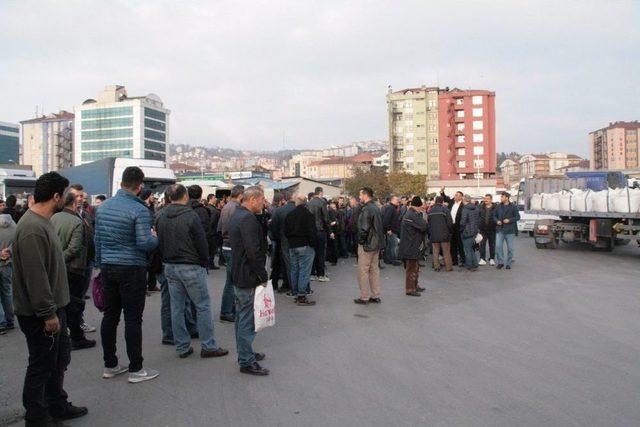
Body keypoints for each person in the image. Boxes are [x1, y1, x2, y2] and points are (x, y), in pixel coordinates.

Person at [12, 171, 89, 425]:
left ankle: (56, 404)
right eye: (64, 195)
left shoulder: (43, 222)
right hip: (41, 313)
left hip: (56, 308)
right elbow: (37, 276)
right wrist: (48, 313)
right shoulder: (33, 227)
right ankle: (36, 415)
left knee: (58, 360)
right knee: (42, 365)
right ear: (56, 196)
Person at [95, 166, 159, 383]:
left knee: (110, 316)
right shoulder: (139, 210)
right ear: (140, 186)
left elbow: (98, 240)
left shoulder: (103, 208)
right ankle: (136, 368)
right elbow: (144, 243)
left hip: (108, 266)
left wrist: (100, 263)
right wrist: (154, 237)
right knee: (133, 318)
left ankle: (110, 364)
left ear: (121, 182)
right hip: (131, 268)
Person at [156, 184, 229, 359]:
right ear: (185, 196)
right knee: (202, 305)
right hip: (190, 265)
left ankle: (182, 346)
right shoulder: (191, 215)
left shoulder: (160, 215)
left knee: (177, 307)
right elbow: (201, 242)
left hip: (170, 265)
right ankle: (208, 345)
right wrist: (204, 261)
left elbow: (159, 240)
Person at [228, 186, 269, 375]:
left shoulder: (238, 214)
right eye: (261, 200)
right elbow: (253, 251)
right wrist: (262, 275)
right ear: (253, 199)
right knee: (247, 319)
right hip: (248, 275)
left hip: (240, 273)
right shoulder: (246, 218)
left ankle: (246, 352)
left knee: (242, 317)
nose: (263, 203)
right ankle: (246, 360)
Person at [50, 189, 96, 350]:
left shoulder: (54, 218)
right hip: (73, 267)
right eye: (77, 198)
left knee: (63, 302)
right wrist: (61, 259)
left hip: (62, 267)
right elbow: (75, 247)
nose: (80, 200)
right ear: (72, 202)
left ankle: (64, 334)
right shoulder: (75, 221)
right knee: (74, 303)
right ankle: (76, 337)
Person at [217, 185, 244, 323]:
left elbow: (220, 227)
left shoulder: (226, 207)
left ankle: (229, 309)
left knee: (230, 280)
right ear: (240, 195)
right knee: (232, 281)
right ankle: (227, 310)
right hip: (232, 246)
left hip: (226, 245)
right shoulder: (236, 208)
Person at [284, 195, 317, 306]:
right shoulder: (309, 215)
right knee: (304, 270)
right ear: (305, 202)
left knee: (294, 269)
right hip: (305, 245)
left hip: (292, 245)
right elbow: (313, 232)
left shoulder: (290, 215)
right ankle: (301, 295)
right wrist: (313, 244)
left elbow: (286, 231)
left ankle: (295, 292)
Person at [354, 187, 385, 305]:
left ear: (365, 195)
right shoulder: (376, 208)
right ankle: (375, 295)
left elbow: (364, 228)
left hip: (367, 244)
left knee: (363, 271)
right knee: (374, 270)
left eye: (360, 195)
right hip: (376, 244)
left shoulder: (367, 209)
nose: (359, 197)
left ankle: (364, 297)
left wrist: (361, 241)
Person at [398, 196, 427, 297]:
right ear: (417, 206)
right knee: (411, 268)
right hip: (411, 245)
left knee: (415, 267)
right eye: (420, 207)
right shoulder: (413, 215)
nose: (421, 209)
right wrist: (422, 216)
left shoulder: (411, 213)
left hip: (411, 244)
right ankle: (410, 289)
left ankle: (415, 285)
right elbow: (424, 226)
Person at [269, 191, 295, 294]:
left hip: (283, 240)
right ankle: (294, 286)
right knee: (295, 264)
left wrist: (277, 237)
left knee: (285, 262)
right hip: (297, 240)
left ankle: (287, 284)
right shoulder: (299, 209)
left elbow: (274, 227)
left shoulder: (279, 211)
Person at [307, 186, 333, 282]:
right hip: (320, 231)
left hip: (311, 232)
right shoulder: (322, 202)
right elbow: (326, 219)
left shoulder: (308, 203)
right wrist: (330, 231)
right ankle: (321, 274)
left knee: (312, 253)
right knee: (321, 253)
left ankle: (312, 273)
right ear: (321, 193)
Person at [494, 191, 520, 270]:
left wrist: (509, 220)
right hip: (500, 230)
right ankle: (501, 262)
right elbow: (494, 216)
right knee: (498, 246)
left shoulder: (513, 207)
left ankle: (508, 263)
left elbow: (517, 217)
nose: (501, 198)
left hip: (509, 231)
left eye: (502, 197)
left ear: (507, 198)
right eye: (501, 197)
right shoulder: (498, 206)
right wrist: (496, 221)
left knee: (510, 248)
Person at [428, 196, 453, 272]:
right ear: (442, 201)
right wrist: (450, 231)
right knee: (446, 252)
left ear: (435, 201)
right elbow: (449, 222)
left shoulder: (431, 210)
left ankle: (436, 267)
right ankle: (448, 267)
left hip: (434, 234)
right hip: (444, 234)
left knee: (435, 252)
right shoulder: (445, 209)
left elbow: (428, 223)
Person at [440, 188, 465, 266]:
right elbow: (445, 198)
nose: (455, 196)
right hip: (451, 226)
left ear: (461, 197)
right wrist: (442, 192)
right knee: (453, 244)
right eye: (455, 195)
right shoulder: (452, 202)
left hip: (459, 226)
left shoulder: (463, 205)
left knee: (460, 244)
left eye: (457, 195)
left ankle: (463, 260)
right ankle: (454, 261)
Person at [0, 211, 15, 334]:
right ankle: (10, 319)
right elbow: (17, 242)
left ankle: (1, 322)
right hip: (8, 264)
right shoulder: (14, 225)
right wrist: (8, 251)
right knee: (7, 292)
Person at [459, 194, 480, 271]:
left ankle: (469, 265)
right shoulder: (476, 208)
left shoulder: (465, 209)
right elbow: (478, 220)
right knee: (471, 249)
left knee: (467, 250)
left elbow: (462, 222)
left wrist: (460, 229)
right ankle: (475, 264)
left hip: (466, 232)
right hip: (474, 231)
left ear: (464, 200)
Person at [381, 195, 402, 266]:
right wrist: (388, 229)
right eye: (396, 200)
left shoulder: (392, 207)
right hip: (391, 231)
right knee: (393, 246)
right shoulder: (390, 208)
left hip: (392, 230)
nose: (398, 201)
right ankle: (393, 260)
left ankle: (388, 259)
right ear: (392, 200)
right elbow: (386, 219)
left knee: (390, 245)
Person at [478, 194, 497, 266]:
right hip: (483, 229)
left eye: (487, 199)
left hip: (492, 229)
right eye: (485, 198)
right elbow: (478, 216)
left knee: (492, 245)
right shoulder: (481, 207)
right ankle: (482, 259)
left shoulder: (496, 207)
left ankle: (492, 258)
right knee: (482, 244)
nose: (485, 200)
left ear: (491, 200)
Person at [205, 193, 221, 270]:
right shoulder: (213, 210)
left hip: (209, 233)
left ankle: (209, 263)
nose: (216, 199)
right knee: (212, 249)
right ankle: (210, 264)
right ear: (210, 199)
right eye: (214, 198)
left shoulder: (207, 208)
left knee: (210, 249)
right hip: (212, 233)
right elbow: (212, 222)